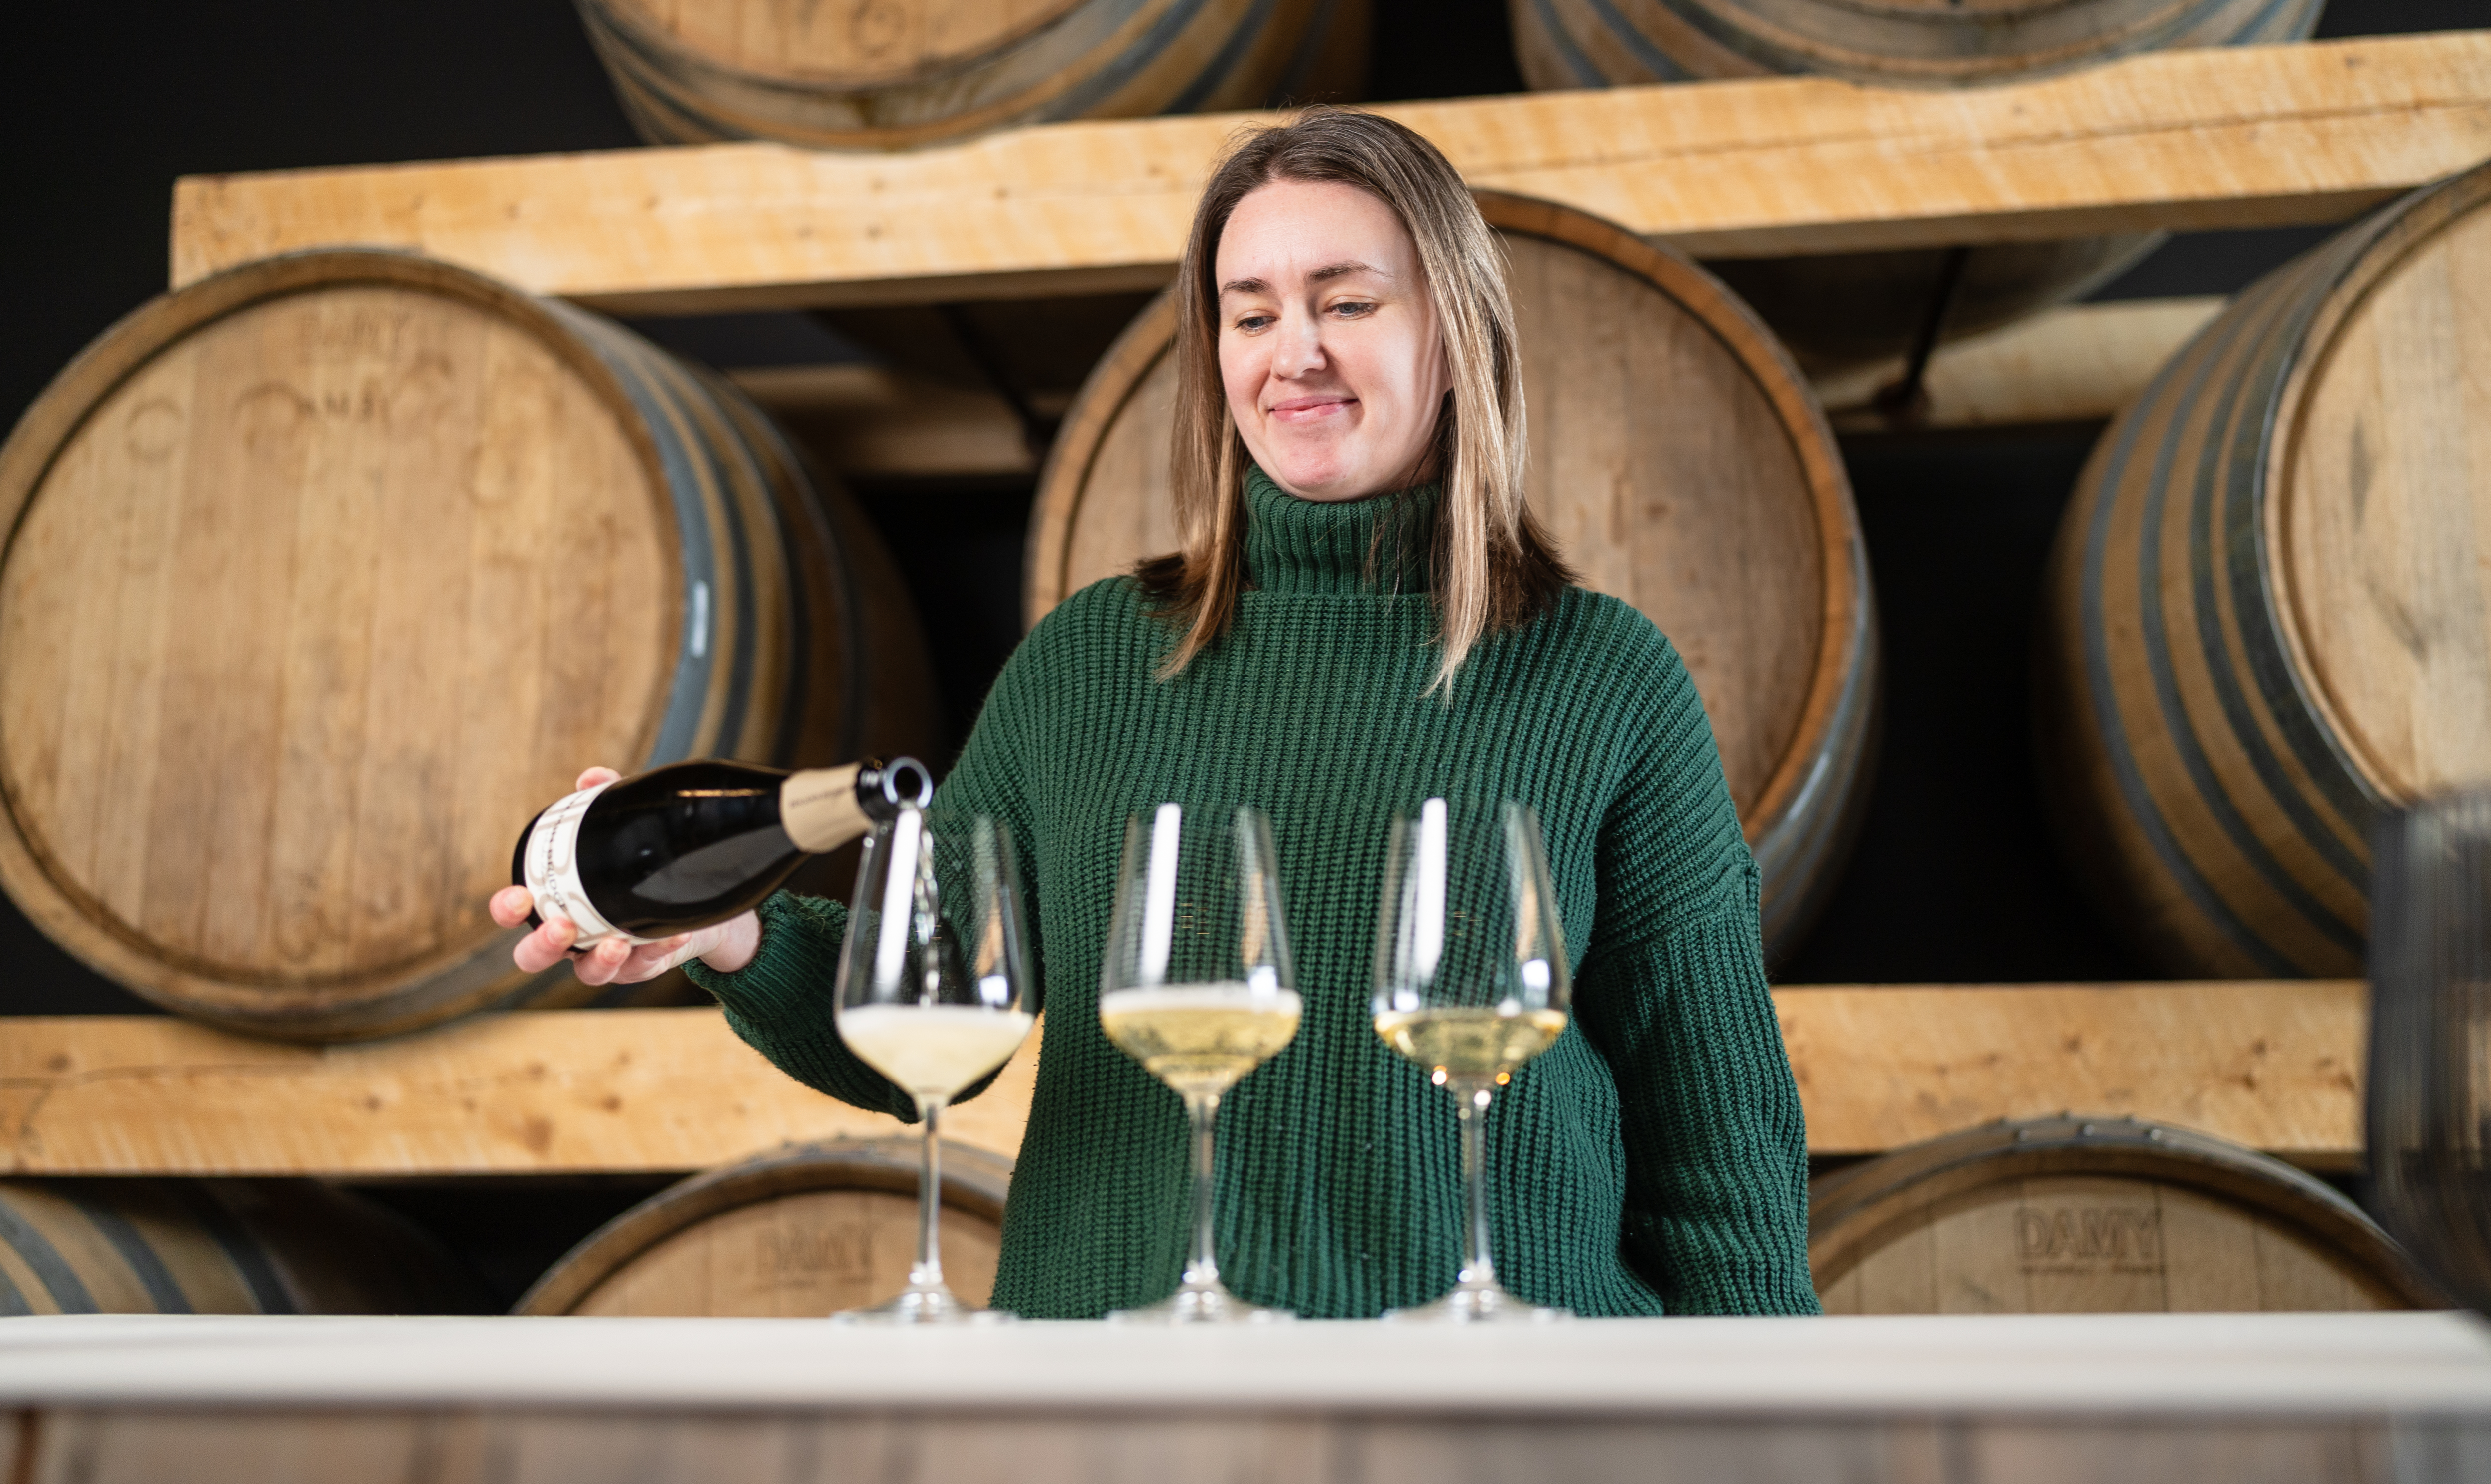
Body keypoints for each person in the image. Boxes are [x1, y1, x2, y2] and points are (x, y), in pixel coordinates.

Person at [492, 108, 1818, 1319]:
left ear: (1456, 333)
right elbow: (924, 1017)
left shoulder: (1604, 680)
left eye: (1347, 301)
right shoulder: (1089, 666)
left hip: (1496, 1416)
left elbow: (1722, 1159)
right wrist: (729, 929)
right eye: (1250, 315)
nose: (1295, 351)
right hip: (1118, 1403)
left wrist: (1775, 1430)